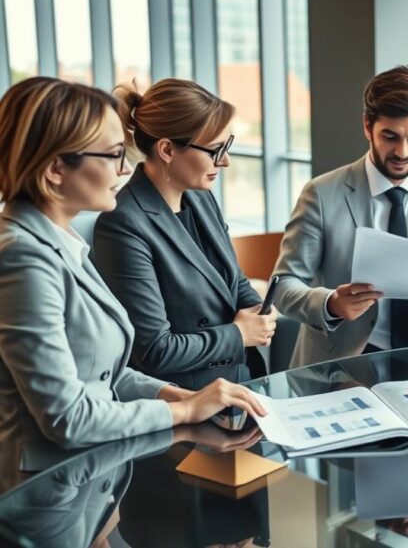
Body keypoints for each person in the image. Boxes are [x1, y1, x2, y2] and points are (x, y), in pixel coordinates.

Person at [0, 77, 264, 492]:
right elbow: (69, 419)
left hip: (90, 483)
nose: (125, 169)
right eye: (112, 155)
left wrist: (174, 398)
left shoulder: (62, 243)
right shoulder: (22, 259)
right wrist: (184, 410)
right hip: (44, 489)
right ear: (54, 169)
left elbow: (104, 373)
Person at [91, 78, 278, 390]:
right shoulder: (122, 224)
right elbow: (154, 350)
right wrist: (239, 334)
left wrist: (257, 310)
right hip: (185, 400)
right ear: (167, 149)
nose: (226, 160)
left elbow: (232, 280)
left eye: (227, 146)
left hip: (240, 381)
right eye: (216, 150)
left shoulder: (200, 197)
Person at [273, 65, 408, 367]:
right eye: (390, 136)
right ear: (367, 126)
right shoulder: (321, 194)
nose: (402, 152)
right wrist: (331, 303)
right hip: (338, 367)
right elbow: (283, 285)